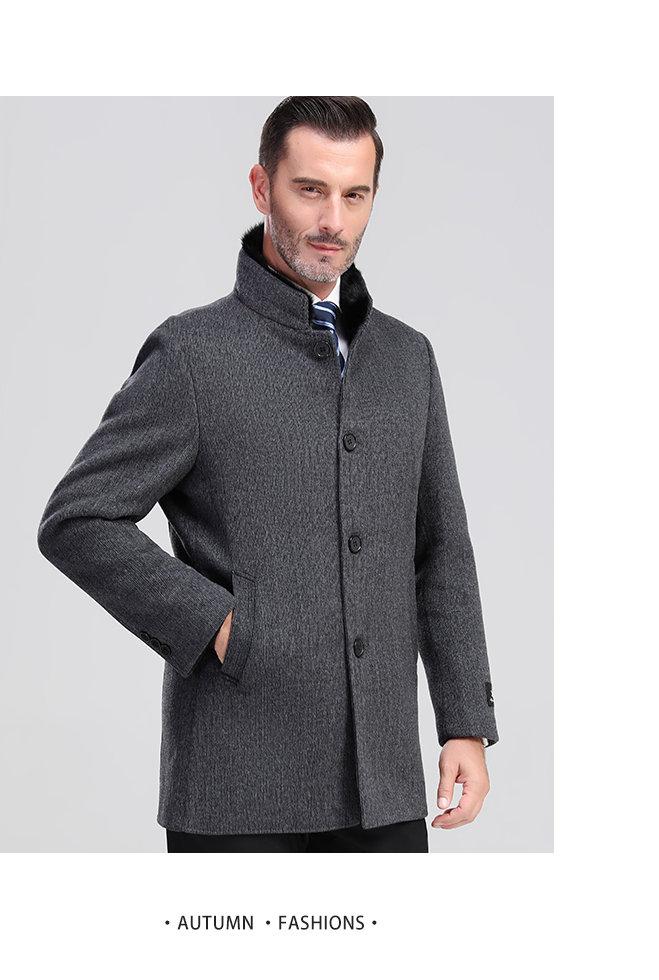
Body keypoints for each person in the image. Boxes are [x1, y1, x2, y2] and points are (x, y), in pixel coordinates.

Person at [37, 96, 499, 853]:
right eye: (310, 190)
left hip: (385, 787)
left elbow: (440, 549)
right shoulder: (193, 354)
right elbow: (77, 520)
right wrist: (218, 625)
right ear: (262, 188)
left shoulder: (407, 359)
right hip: (237, 789)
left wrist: (465, 723)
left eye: (355, 195)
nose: (333, 220)